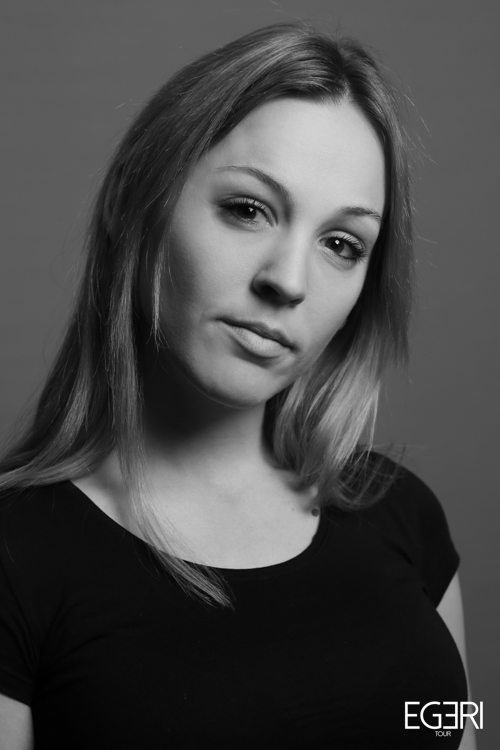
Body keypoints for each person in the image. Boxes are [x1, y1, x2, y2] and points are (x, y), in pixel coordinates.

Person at [0, 23, 475, 749]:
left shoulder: (405, 516)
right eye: (248, 209)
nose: (288, 281)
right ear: (136, 201)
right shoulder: (15, 556)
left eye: (341, 244)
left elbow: (459, 728)